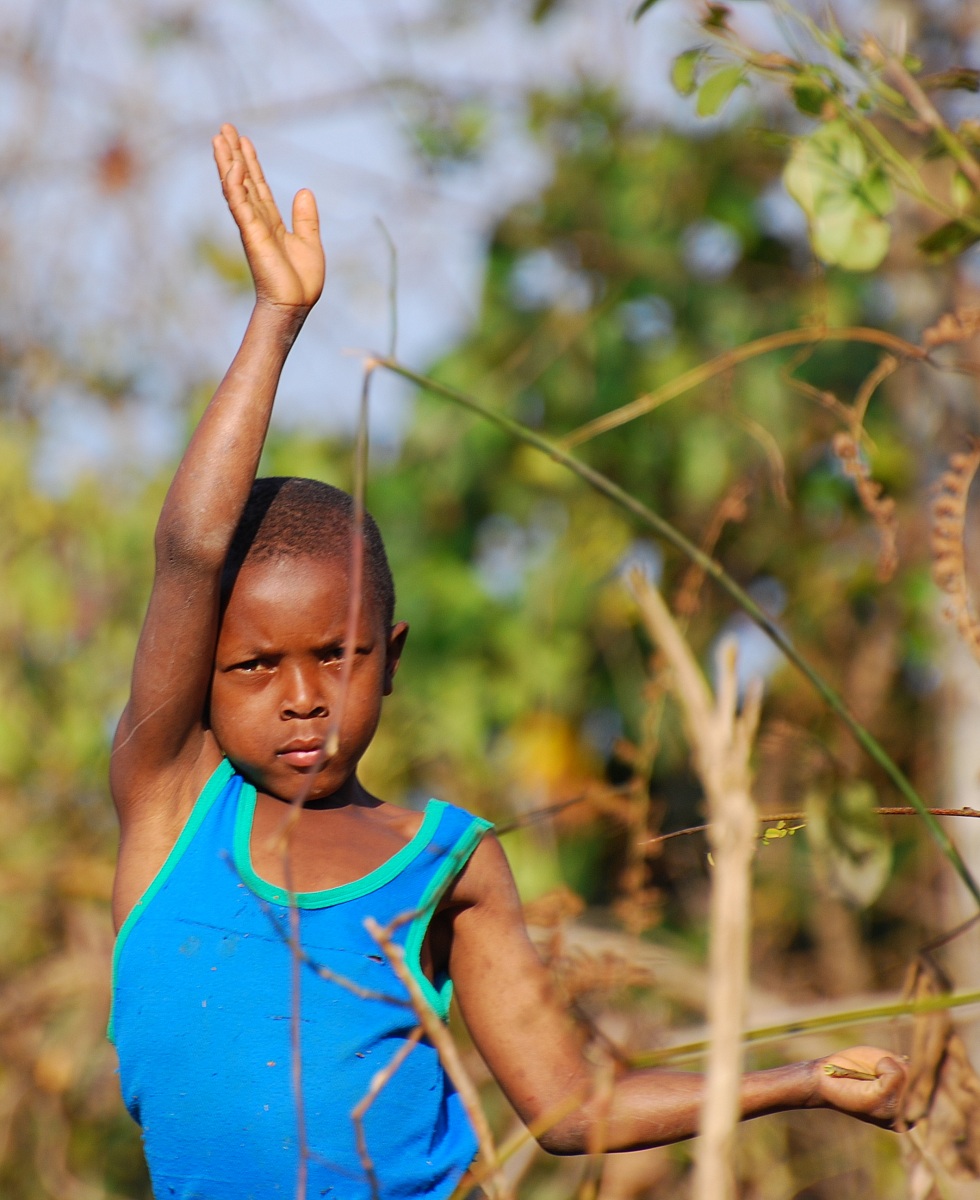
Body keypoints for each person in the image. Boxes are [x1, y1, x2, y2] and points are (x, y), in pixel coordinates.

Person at [108, 123, 908, 1200]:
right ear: (199, 678)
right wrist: (275, 318)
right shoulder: (170, 804)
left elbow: (572, 1106)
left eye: (334, 657)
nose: (302, 699)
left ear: (388, 658)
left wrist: (801, 1080)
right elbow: (189, 548)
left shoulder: (447, 859)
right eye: (253, 669)